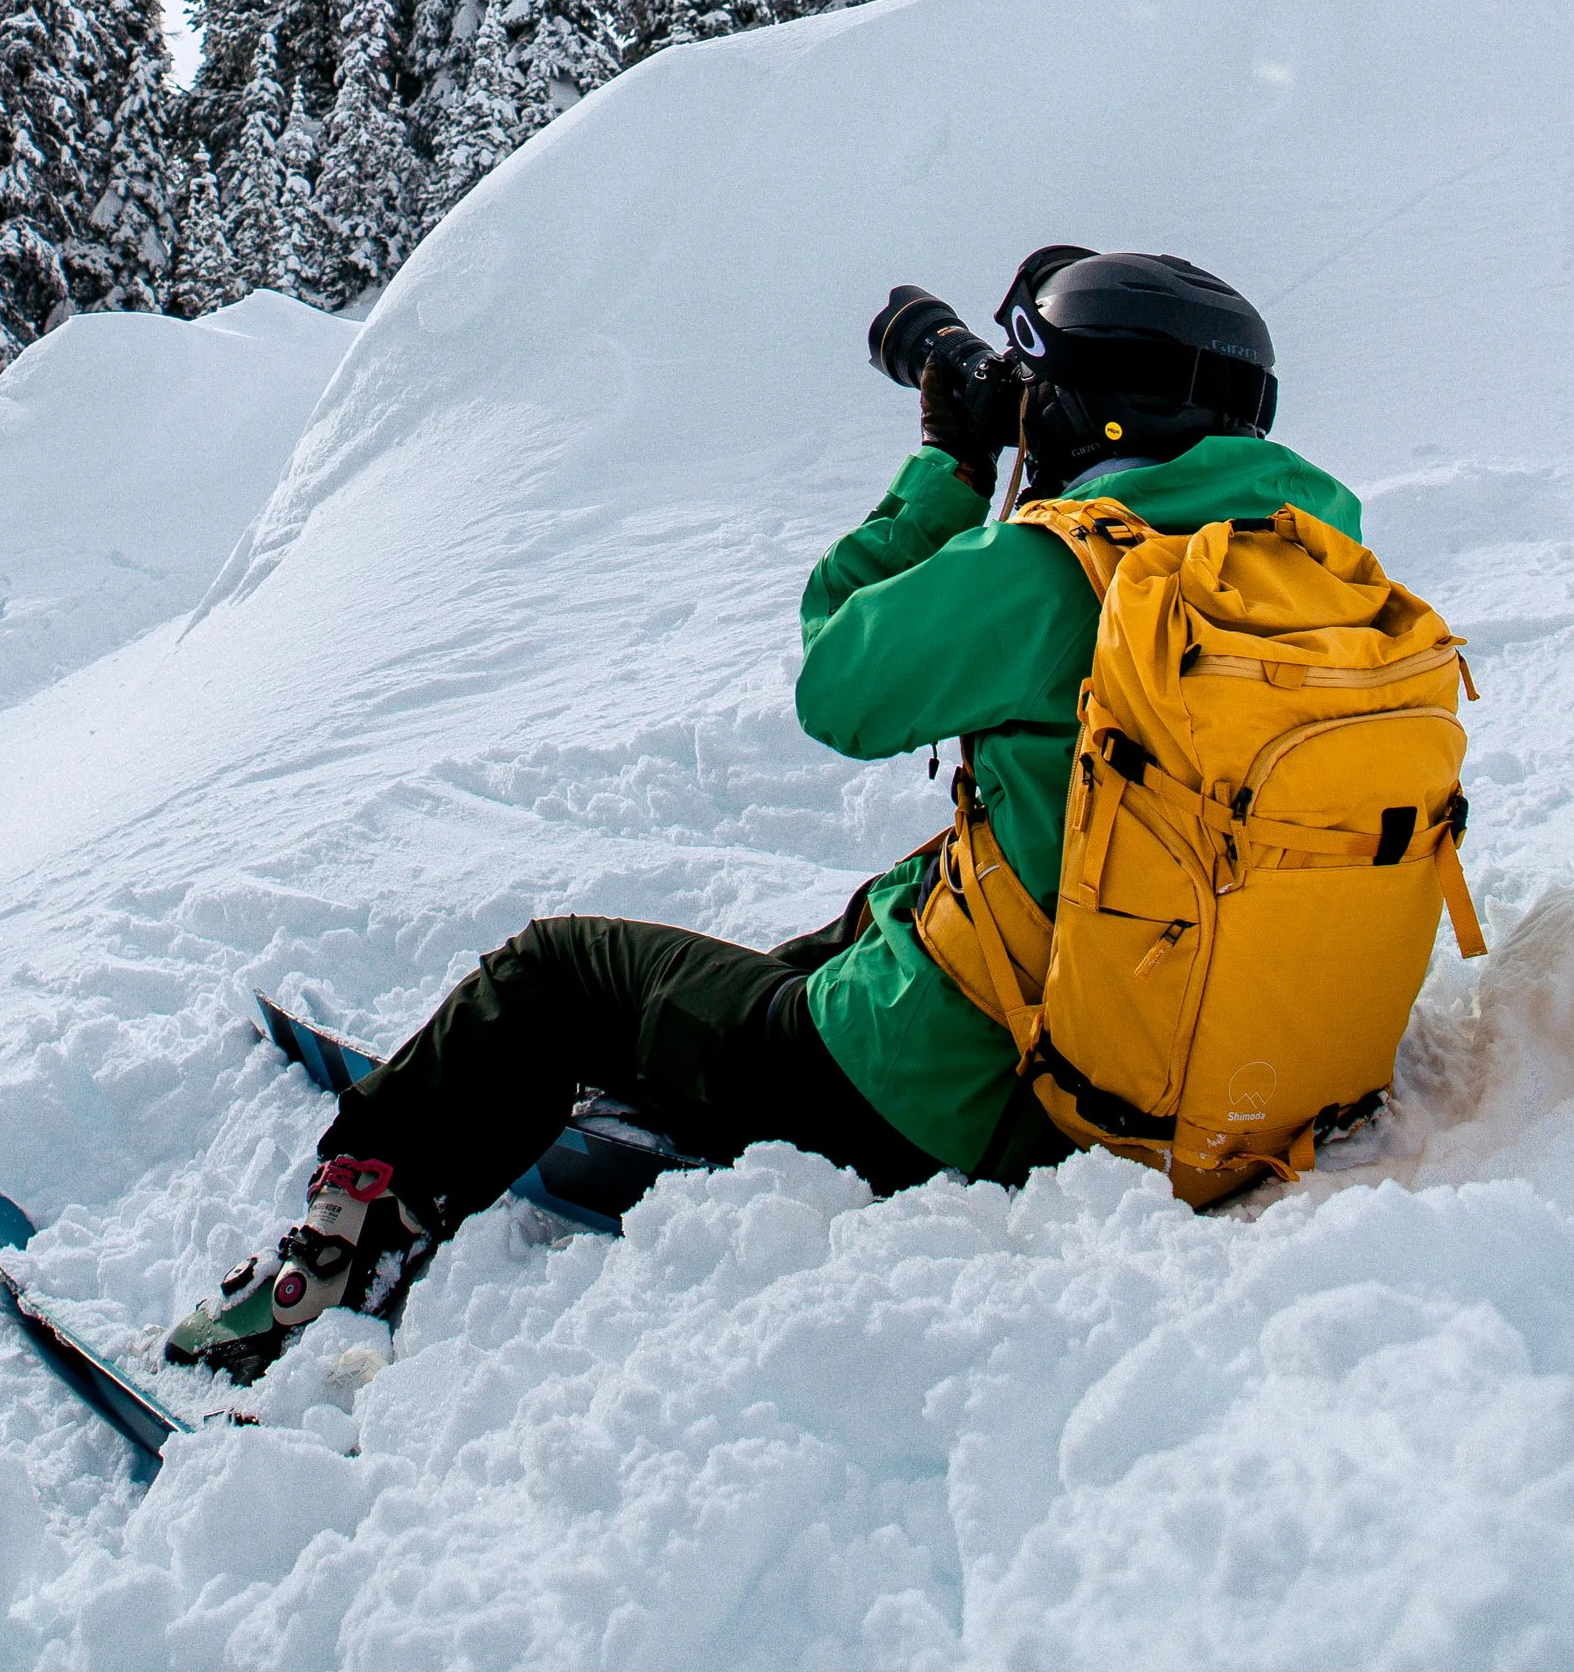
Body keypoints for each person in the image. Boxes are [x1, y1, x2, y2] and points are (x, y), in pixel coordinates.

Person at [167, 246, 1363, 1377]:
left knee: (556, 973)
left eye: (1040, 385)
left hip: (971, 1106)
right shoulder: (1327, 576)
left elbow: (837, 676)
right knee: (909, 884)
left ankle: (332, 1260)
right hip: (1185, 1063)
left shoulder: (1061, 574)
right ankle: (685, 1065)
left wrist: (950, 469)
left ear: (1081, 412)